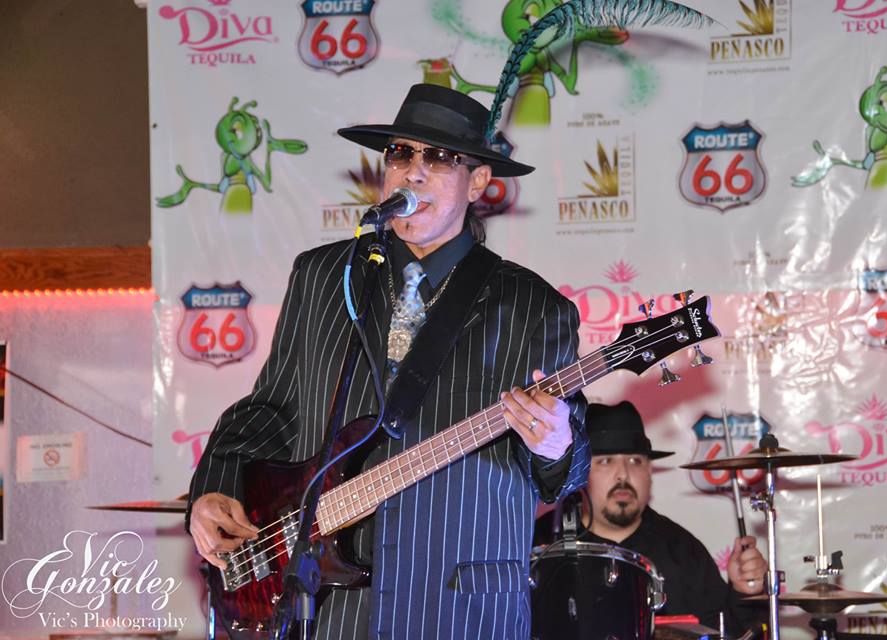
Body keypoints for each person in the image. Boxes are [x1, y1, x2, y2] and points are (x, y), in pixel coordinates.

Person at [186, 84, 590, 640]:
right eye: (401, 153)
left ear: (477, 182)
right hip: (329, 607)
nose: (413, 172)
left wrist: (557, 445)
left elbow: (563, 474)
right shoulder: (324, 277)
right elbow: (272, 410)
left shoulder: (533, 306)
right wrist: (213, 486)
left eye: (439, 158)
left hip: (462, 608)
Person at [536, 401, 767, 635]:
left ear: (649, 472)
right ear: (579, 472)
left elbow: (725, 632)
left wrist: (743, 593)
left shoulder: (682, 551)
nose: (623, 474)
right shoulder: (542, 543)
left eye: (635, 461)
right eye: (606, 461)